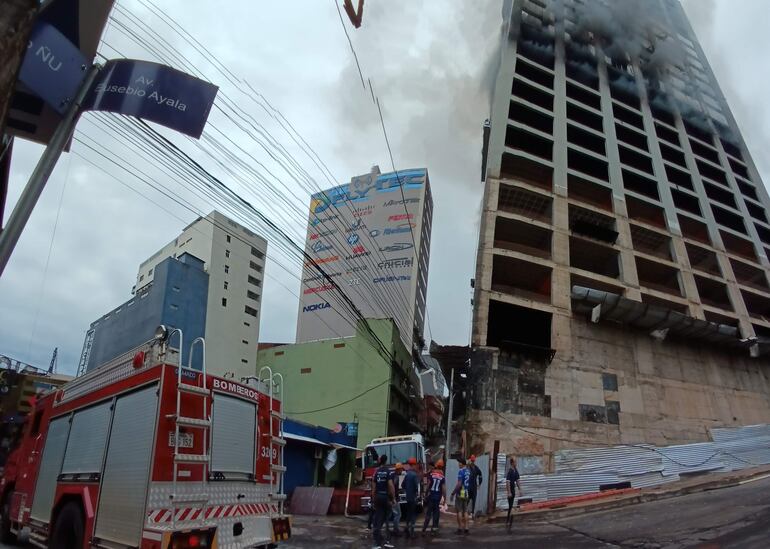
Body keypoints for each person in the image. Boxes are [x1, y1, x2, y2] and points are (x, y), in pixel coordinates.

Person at [371, 454, 395, 549]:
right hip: (385, 497)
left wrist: (373, 499)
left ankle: (377, 544)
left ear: (380, 461)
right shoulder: (388, 472)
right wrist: (393, 498)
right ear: (386, 461)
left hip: (378, 497)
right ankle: (387, 541)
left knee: (378, 519)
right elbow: (390, 486)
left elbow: (373, 487)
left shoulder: (376, 472)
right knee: (387, 520)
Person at [422, 459, 446, 535]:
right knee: (436, 514)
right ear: (442, 467)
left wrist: (426, 494)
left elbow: (428, 485)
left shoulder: (432, 474)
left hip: (431, 496)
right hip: (437, 497)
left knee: (428, 513)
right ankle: (433, 531)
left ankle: (424, 530)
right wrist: (445, 498)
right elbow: (443, 489)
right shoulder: (442, 476)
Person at [452, 457, 472, 534]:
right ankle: (466, 528)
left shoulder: (461, 471)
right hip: (466, 492)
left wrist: (453, 493)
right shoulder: (468, 471)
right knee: (466, 511)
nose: (458, 464)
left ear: (462, 464)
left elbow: (459, 484)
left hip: (461, 492)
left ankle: (460, 528)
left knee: (459, 511)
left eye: (459, 462)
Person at [402, 457, 420, 538]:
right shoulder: (414, 475)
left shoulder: (407, 474)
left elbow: (403, 485)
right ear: (413, 465)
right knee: (413, 514)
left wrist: (407, 490)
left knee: (408, 513)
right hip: (413, 497)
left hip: (407, 497)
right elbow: (416, 487)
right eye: (415, 465)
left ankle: (406, 527)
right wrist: (417, 495)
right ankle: (412, 532)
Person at [505, 456, 523, 529]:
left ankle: (508, 520)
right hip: (510, 490)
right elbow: (507, 482)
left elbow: (517, 480)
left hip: (513, 490)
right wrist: (509, 492)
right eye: (515, 462)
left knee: (511, 506)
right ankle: (509, 520)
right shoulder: (510, 471)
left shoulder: (515, 470)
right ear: (512, 463)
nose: (516, 463)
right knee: (510, 506)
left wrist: (520, 489)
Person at [389, 462, 404, 537]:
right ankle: (396, 530)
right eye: (401, 469)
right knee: (398, 514)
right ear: (399, 469)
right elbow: (392, 488)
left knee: (389, 515)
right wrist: (394, 498)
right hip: (393, 499)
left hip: (390, 498)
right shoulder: (395, 477)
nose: (402, 471)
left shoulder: (392, 475)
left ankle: (389, 530)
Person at [467, 454, 483, 519]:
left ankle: (472, 513)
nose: (473, 462)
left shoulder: (476, 468)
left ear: (474, 461)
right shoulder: (468, 467)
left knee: (473, 500)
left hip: (473, 486)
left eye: (473, 461)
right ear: (470, 460)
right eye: (472, 461)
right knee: (467, 499)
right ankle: (464, 512)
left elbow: (480, 475)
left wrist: (479, 483)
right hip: (468, 486)